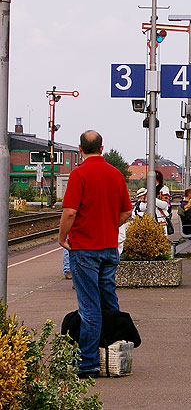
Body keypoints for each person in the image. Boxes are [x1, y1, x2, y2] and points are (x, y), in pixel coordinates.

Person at [58, 130, 133, 378]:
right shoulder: (116, 174)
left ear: (80, 149)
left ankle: (89, 364)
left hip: (84, 249)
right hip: (109, 248)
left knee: (89, 307)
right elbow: (126, 213)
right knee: (109, 302)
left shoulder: (79, 174)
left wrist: (62, 238)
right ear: (102, 148)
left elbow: (69, 212)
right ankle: (115, 355)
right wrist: (109, 227)